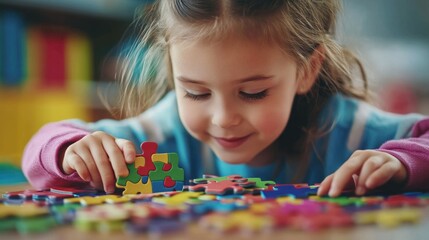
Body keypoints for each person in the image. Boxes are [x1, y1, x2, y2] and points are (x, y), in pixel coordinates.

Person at [22, 0, 429, 197]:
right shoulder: (159, 137)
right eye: (195, 92)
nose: (222, 118)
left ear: (306, 70)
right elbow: (39, 153)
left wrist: (400, 160)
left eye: (252, 92)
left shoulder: (351, 132)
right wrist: (70, 151)